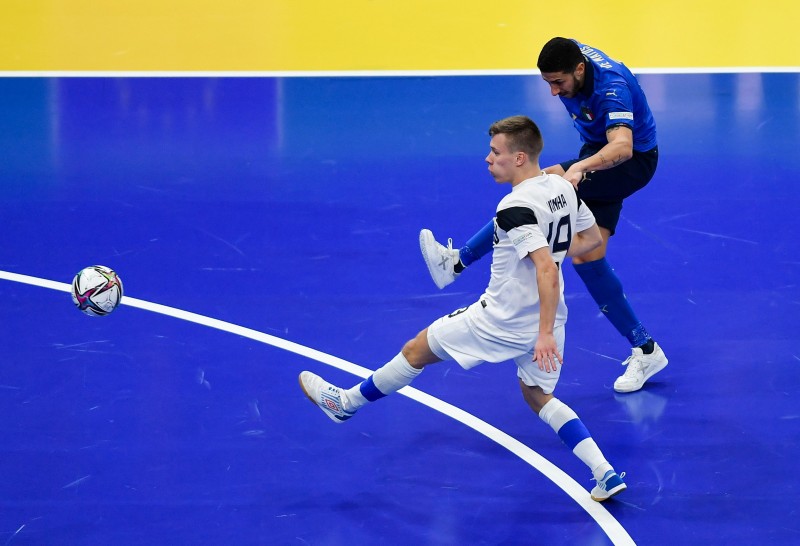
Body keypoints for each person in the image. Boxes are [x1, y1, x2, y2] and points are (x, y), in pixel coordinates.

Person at [300, 115, 626, 502]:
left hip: (499, 320)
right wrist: (550, 280)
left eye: (495, 152)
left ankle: (345, 403)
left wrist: (541, 314)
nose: (488, 159)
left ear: (519, 158)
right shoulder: (562, 186)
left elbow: (544, 269)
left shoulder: (514, 206)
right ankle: (603, 472)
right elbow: (590, 240)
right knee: (538, 396)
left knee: (414, 351)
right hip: (551, 320)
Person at [419, 37, 668, 394]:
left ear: (579, 69)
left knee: (535, 188)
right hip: (596, 148)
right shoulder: (573, 58)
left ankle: (456, 261)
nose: (553, 93)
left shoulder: (611, 90)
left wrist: (580, 168)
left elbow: (623, 147)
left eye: (559, 83)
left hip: (630, 161)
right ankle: (646, 349)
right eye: (548, 82)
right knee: (589, 257)